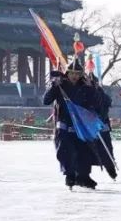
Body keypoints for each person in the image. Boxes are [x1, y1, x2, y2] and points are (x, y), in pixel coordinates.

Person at [43, 57, 102, 189]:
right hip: (64, 125)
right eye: (72, 73)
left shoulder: (85, 87)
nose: (74, 76)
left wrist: (92, 89)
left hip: (81, 126)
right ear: (67, 73)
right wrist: (53, 86)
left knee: (85, 152)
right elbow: (46, 101)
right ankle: (69, 175)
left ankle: (84, 177)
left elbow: (97, 104)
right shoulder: (60, 86)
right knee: (65, 152)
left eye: (77, 74)